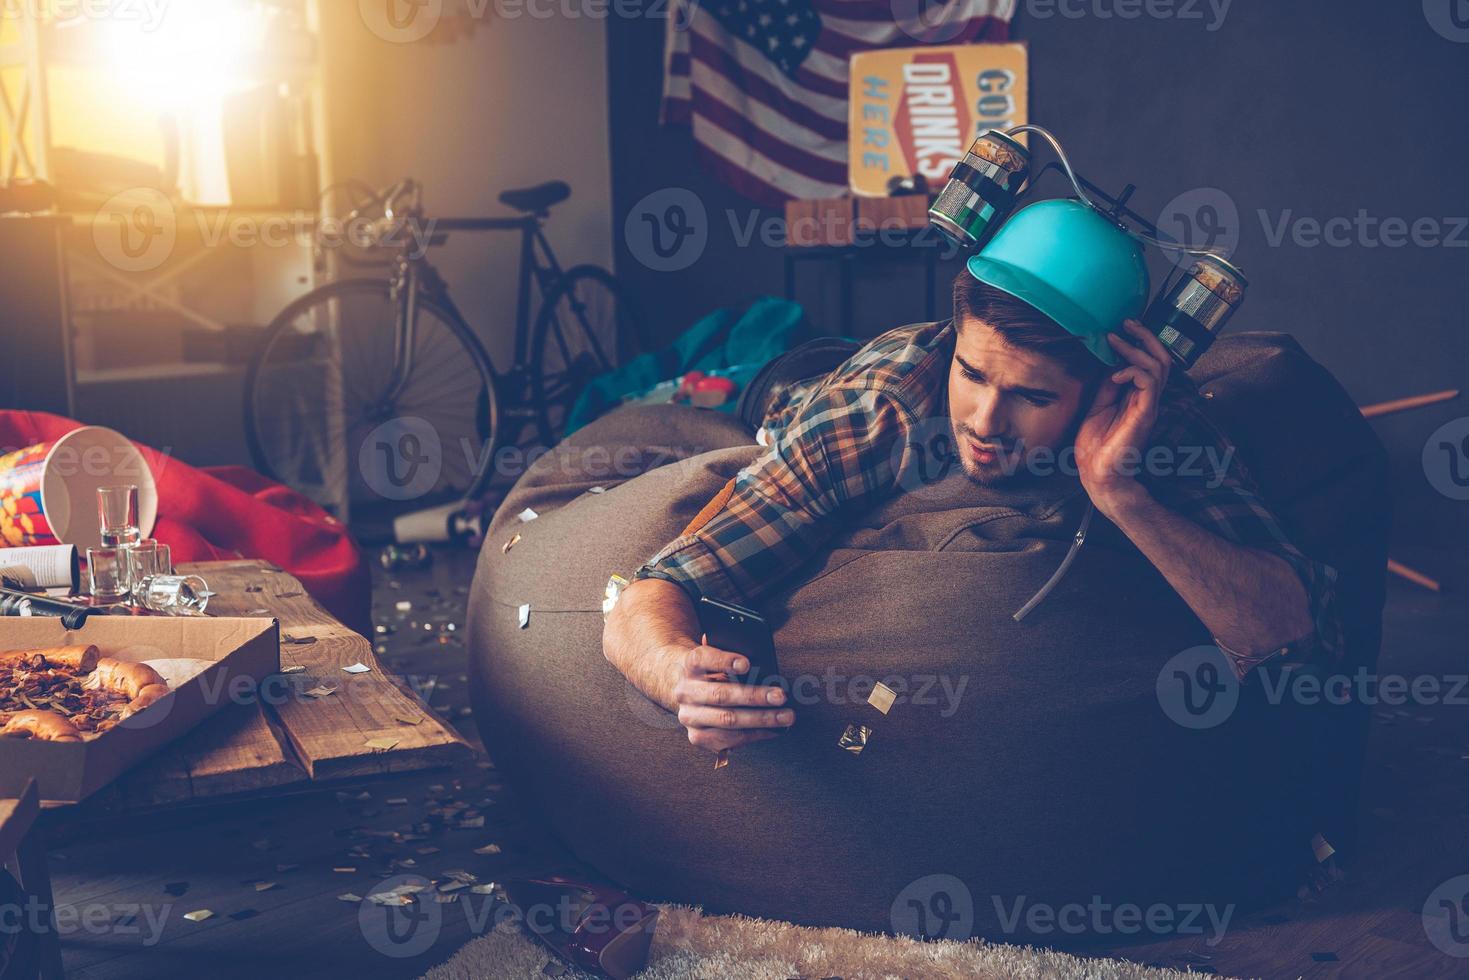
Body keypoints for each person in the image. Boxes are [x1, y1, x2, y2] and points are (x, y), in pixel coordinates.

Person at [602, 202, 1340, 758]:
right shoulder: (873, 414)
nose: (985, 421)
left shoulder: (1164, 425)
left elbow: (1289, 630)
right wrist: (674, 673)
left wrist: (1120, 493)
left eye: (1031, 395)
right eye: (971, 372)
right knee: (733, 376)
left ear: (1109, 384)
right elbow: (657, 586)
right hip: (797, 383)